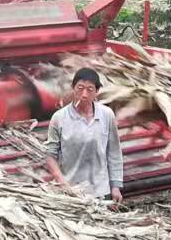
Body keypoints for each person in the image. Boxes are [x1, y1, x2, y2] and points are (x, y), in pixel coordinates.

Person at [45, 67, 123, 206]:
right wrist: (63, 183)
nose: (84, 94)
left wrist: (115, 186)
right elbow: (50, 156)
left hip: (101, 192)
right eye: (80, 88)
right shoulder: (59, 118)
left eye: (90, 89)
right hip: (72, 193)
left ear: (97, 92)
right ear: (73, 88)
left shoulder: (106, 115)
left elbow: (114, 152)